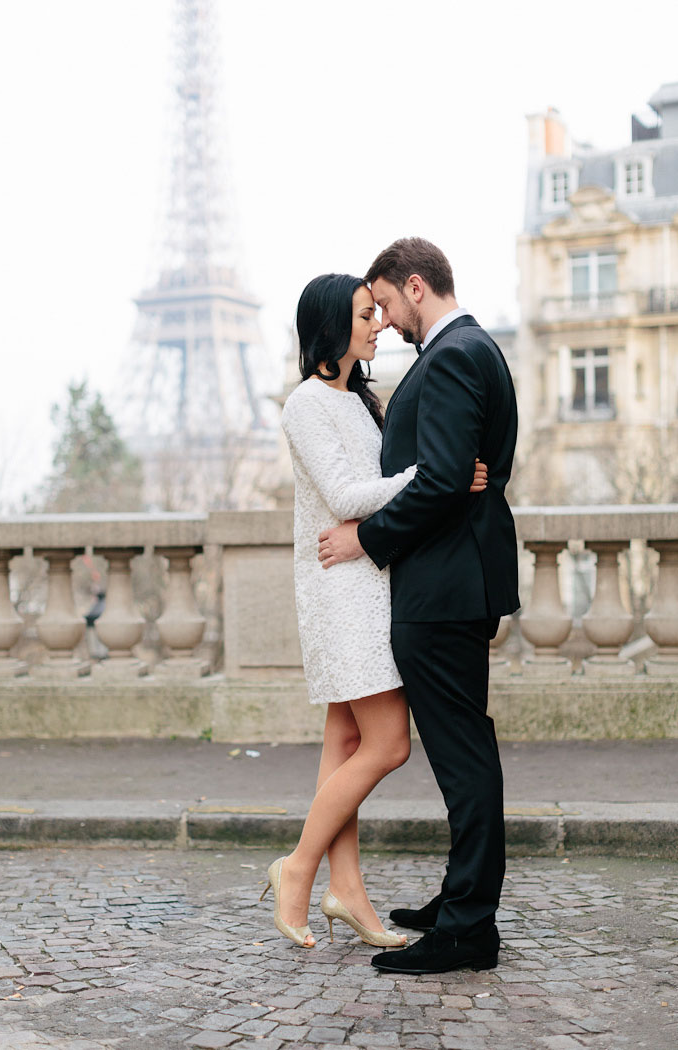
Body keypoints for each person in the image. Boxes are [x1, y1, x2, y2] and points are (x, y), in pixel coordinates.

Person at [259, 272, 487, 950]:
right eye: (366, 314)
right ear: (333, 326)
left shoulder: (358, 399)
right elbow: (345, 493)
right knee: (387, 745)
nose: (379, 323)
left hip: (368, 580)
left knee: (345, 745)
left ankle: (347, 890)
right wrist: (435, 476)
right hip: (342, 589)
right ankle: (297, 867)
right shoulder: (306, 404)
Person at [318, 237, 519, 975]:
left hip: (441, 589)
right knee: (466, 753)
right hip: (455, 579)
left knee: (464, 758)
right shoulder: (474, 349)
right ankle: (461, 901)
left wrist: (365, 540)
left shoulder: (454, 355)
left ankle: (469, 927)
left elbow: (440, 481)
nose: (387, 322)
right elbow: (457, 474)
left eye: (388, 304)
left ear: (414, 286)